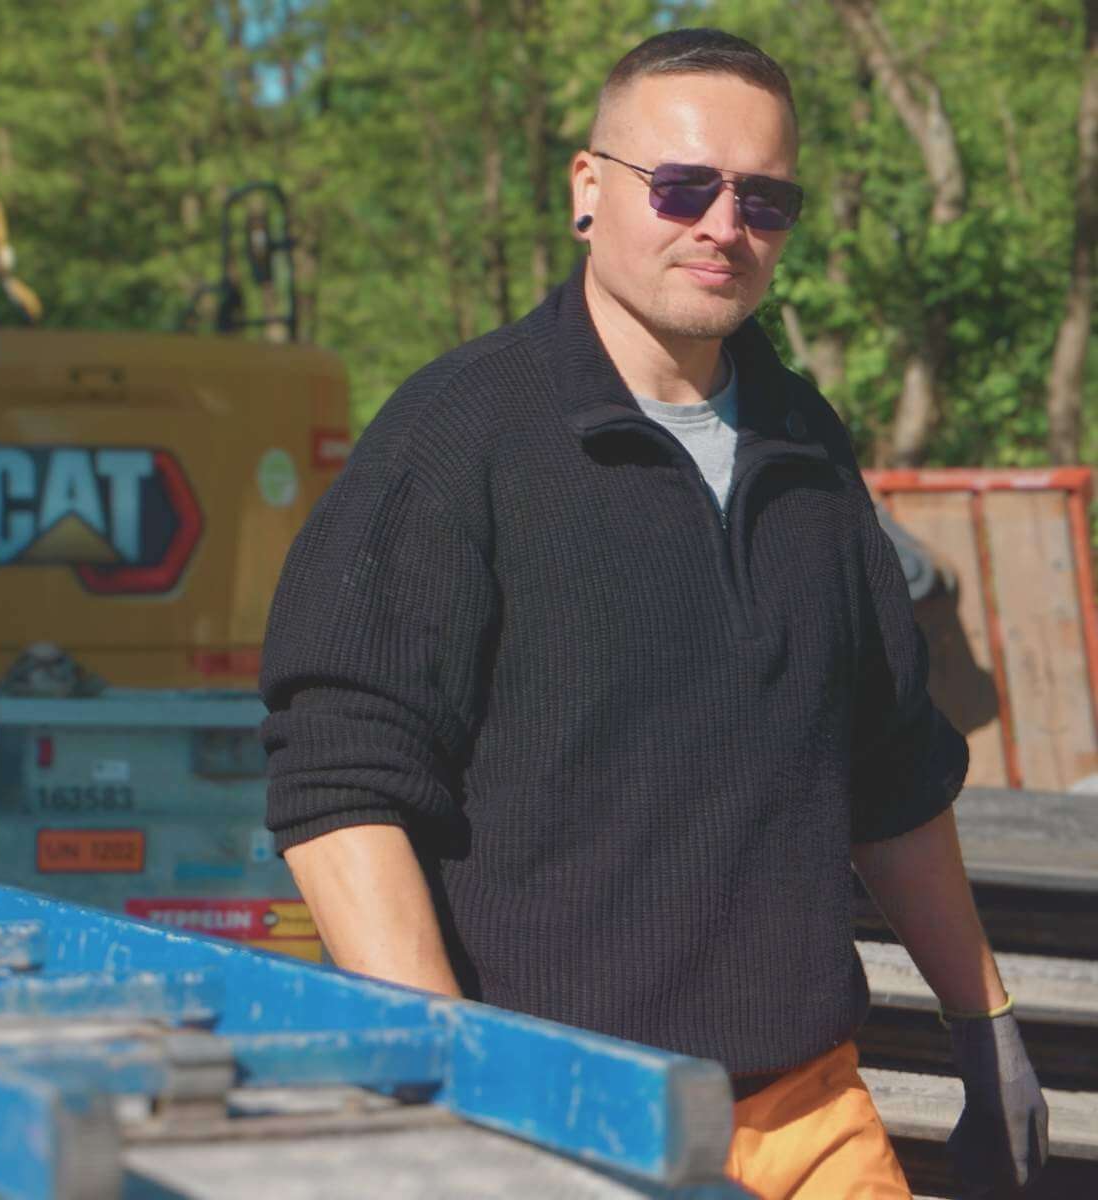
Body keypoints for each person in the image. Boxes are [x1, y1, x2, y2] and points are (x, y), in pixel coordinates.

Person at [259, 27, 1047, 1199]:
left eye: (765, 199)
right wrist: (457, 1094)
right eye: (681, 186)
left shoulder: (808, 448)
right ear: (589, 189)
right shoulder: (457, 438)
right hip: (562, 1129)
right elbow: (340, 782)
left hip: (811, 1109)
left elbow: (892, 766)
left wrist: (986, 1026)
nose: (723, 226)